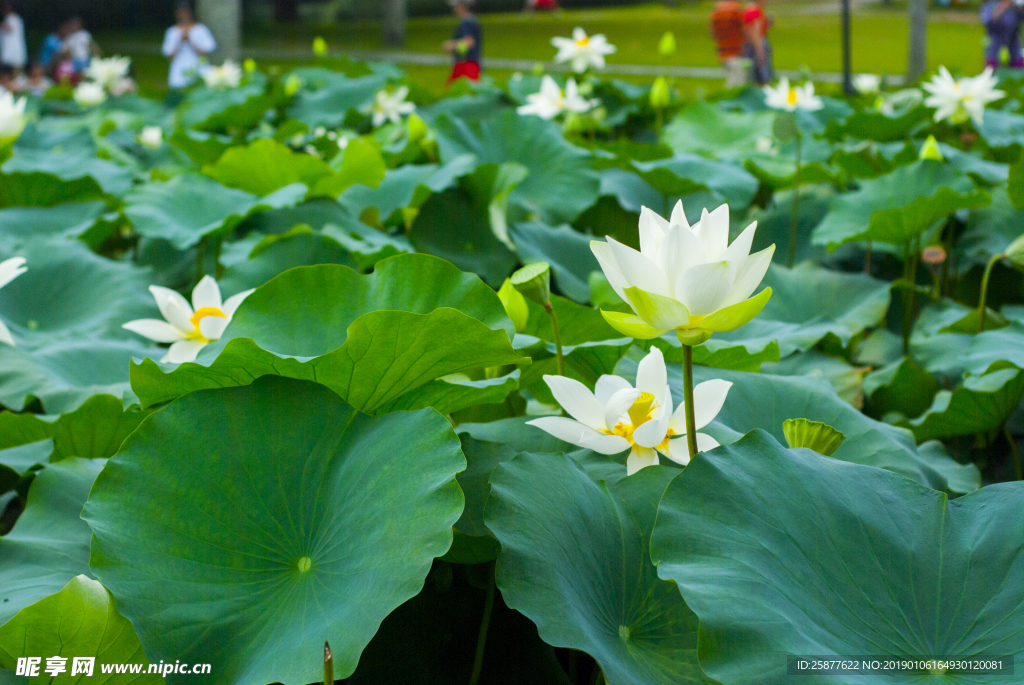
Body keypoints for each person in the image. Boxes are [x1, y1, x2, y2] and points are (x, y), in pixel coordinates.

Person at [162, 2, 216, 89]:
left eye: (185, 12)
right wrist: (180, 41)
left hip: (199, 70)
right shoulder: (172, 32)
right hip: (178, 72)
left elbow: (205, 54)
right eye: (181, 12)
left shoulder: (201, 29)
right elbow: (170, 56)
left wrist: (190, 41)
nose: (183, 15)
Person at [442, 0, 481, 84]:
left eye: (456, 6)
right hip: (469, 63)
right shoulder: (472, 20)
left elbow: (469, 42)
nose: (454, 9)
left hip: (466, 65)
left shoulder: (467, 23)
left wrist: (451, 45)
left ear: (462, 6)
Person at [710, 0, 747, 87]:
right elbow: (743, 30)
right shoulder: (736, 10)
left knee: (732, 77)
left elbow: (711, 33)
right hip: (735, 50)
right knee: (738, 80)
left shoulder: (717, 11)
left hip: (722, 49)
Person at [981, 0, 1024, 68]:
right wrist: (1001, 8)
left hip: (1013, 40)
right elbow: (989, 23)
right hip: (995, 39)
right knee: (991, 66)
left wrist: (1019, 8)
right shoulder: (990, 5)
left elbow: (1021, 17)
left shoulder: (1014, 7)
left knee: (1018, 65)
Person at [742, 0, 774, 85]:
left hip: (749, 45)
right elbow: (755, 32)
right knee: (762, 75)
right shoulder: (755, 11)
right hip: (756, 44)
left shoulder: (747, 9)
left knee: (753, 74)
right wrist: (760, 51)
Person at [0, 2, 26, 74]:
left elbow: (9, 28)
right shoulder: (15, 18)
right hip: (13, 49)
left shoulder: (12, 18)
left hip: (13, 49)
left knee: (15, 67)